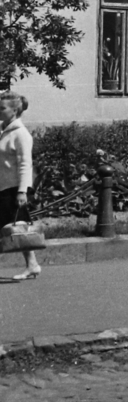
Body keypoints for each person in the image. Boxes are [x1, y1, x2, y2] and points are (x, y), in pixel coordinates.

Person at [0, 93, 41, 280]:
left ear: (14, 111)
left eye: (2, 108)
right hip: (3, 187)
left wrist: (23, 191)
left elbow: (26, 164)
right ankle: (32, 264)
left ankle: (32, 264)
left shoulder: (21, 134)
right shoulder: (4, 130)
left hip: (13, 189)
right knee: (16, 229)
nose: (0, 112)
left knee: (16, 228)